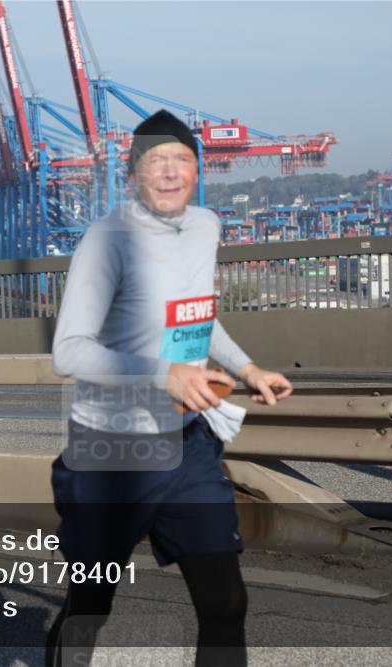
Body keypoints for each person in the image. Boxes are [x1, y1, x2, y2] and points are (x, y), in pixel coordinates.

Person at [47, 110, 293, 667]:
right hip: (111, 450)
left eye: (181, 159)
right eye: (155, 161)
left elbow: (197, 319)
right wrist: (164, 373)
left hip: (186, 445)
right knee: (90, 606)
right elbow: (69, 351)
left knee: (226, 601)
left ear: (197, 169)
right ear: (133, 174)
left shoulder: (206, 225)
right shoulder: (106, 240)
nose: (170, 172)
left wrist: (247, 368)